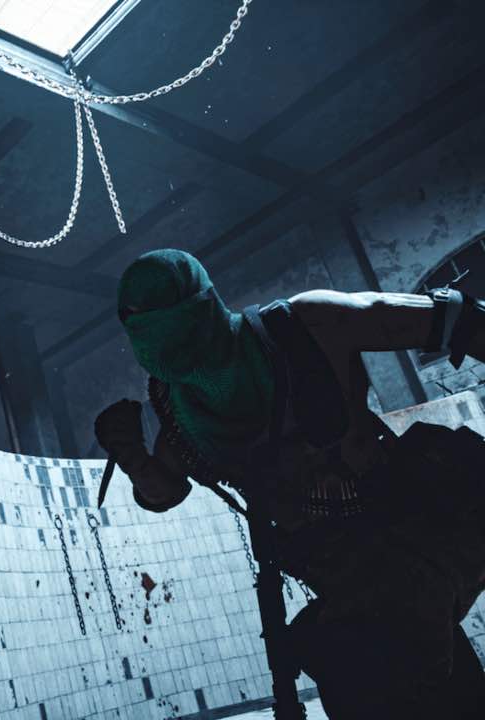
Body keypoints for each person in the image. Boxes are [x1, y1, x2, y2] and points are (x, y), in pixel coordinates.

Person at [94, 249, 485, 719]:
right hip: (342, 586)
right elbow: (164, 491)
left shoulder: (301, 328)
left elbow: (457, 318)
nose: (165, 339)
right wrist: (131, 454)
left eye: (166, 318)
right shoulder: (183, 416)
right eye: (143, 323)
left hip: (417, 539)